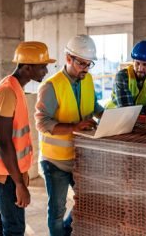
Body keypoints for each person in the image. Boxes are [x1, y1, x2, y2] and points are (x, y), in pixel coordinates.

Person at [0, 41, 56, 236]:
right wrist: (19, 184)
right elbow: (3, 141)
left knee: (3, 222)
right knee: (14, 227)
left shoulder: (15, 87)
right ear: (27, 67)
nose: (46, 70)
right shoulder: (8, 92)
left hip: (6, 170)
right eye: (42, 66)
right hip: (5, 173)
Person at [35, 34, 104, 236]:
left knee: (88, 200)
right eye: (81, 63)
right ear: (68, 59)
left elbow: (93, 106)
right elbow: (42, 122)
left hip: (81, 157)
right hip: (55, 160)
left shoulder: (88, 79)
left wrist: (108, 116)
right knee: (57, 210)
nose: (85, 68)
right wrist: (74, 127)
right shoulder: (51, 86)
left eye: (89, 64)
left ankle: (65, 231)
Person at [105, 40, 146, 114]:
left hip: (138, 119)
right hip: (113, 117)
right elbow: (127, 110)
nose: (140, 68)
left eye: (145, 64)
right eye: (137, 63)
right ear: (133, 61)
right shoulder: (122, 76)